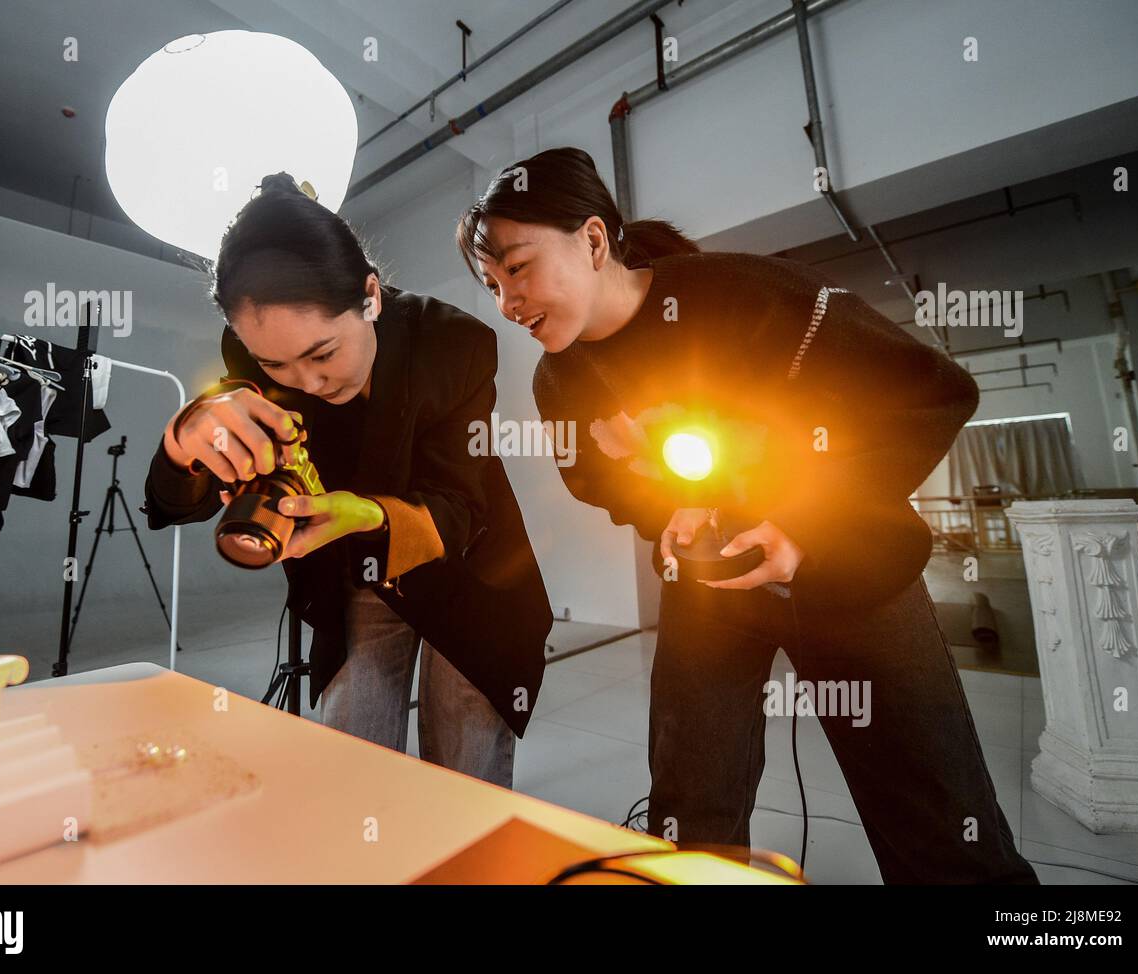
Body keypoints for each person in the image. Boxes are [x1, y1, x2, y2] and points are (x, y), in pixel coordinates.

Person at [455, 147, 1037, 883]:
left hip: (859, 573)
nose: (508, 302)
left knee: (940, 821)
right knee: (690, 809)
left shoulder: (754, 294)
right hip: (712, 591)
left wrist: (806, 528)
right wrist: (665, 508)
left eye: (519, 267)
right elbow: (597, 482)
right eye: (492, 283)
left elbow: (932, 395)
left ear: (595, 240)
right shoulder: (560, 380)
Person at [144, 173, 551, 788]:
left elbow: (459, 506)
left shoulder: (454, 344)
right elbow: (178, 502)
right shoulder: (250, 361)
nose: (305, 383)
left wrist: (363, 514)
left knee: (465, 778)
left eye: (323, 353)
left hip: (470, 568)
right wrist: (185, 439)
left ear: (370, 296)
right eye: (274, 363)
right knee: (347, 770)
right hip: (358, 574)